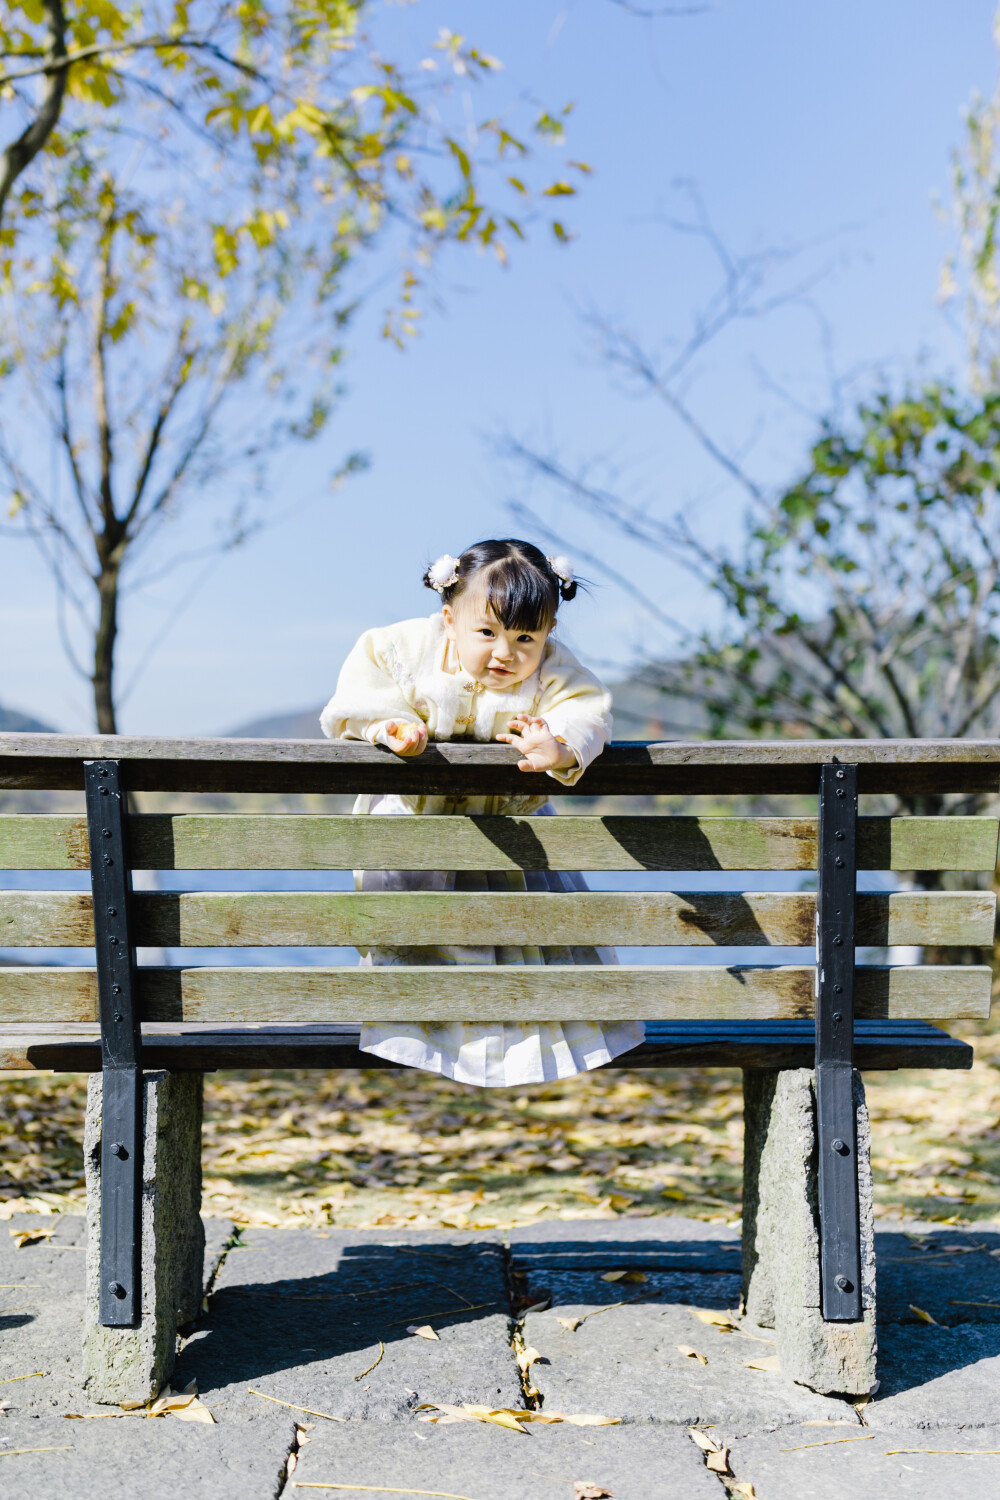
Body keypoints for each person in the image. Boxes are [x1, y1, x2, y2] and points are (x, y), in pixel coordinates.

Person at [319, 537, 644, 1086]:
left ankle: (514, 1036)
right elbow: (361, 692)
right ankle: (426, 1029)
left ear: (549, 634)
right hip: (421, 837)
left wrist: (558, 745)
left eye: (526, 638)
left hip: (506, 838)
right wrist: (389, 725)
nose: (505, 653)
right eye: (487, 633)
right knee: (433, 928)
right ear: (449, 619)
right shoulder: (404, 647)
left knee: (524, 928)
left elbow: (586, 710)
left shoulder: (555, 669)